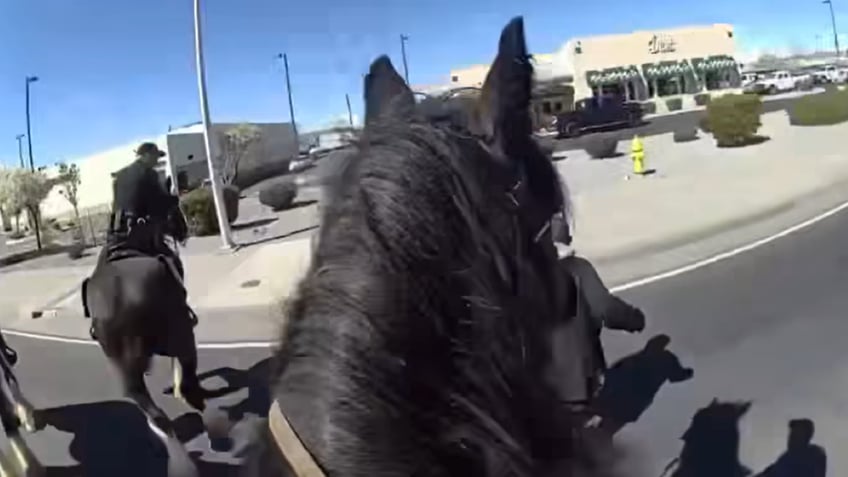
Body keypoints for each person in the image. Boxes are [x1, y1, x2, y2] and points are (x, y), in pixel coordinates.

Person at [99, 142, 185, 280]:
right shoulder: (149, 174)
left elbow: (118, 203)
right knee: (171, 260)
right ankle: (179, 296)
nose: (157, 161)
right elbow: (157, 204)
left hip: (117, 232)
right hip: (140, 231)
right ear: (146, 155)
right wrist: (173, 200)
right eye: (155, 157)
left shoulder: (119, 176)